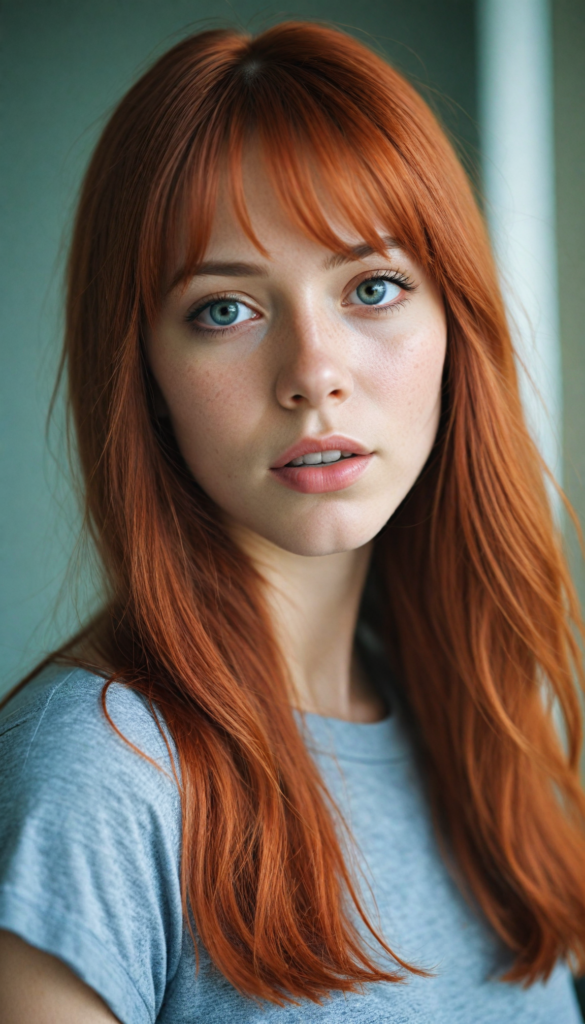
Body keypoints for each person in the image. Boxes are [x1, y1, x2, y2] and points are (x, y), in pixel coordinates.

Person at [1, 21, 584, 1024]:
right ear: (142, 374)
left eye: (373, 287)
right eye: (226, 309)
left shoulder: (484, 724)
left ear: (457, 329)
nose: (315, 371)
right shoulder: (100, 776)